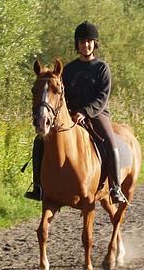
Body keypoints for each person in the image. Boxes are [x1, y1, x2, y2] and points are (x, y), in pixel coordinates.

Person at [25, 21, 126, 204]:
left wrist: (85, 112)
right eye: (81, 42)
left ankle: (115, 187)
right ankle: (38, 186)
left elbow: (102, 97)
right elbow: (59, 95)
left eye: (89, 41)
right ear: (77, 45)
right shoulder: (69, 69)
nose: (85, 45)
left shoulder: (102, 68)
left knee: (110, 142)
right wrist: (64, 113)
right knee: (39, 141)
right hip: (69, 116)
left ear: (95, 44)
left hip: (97, 114)